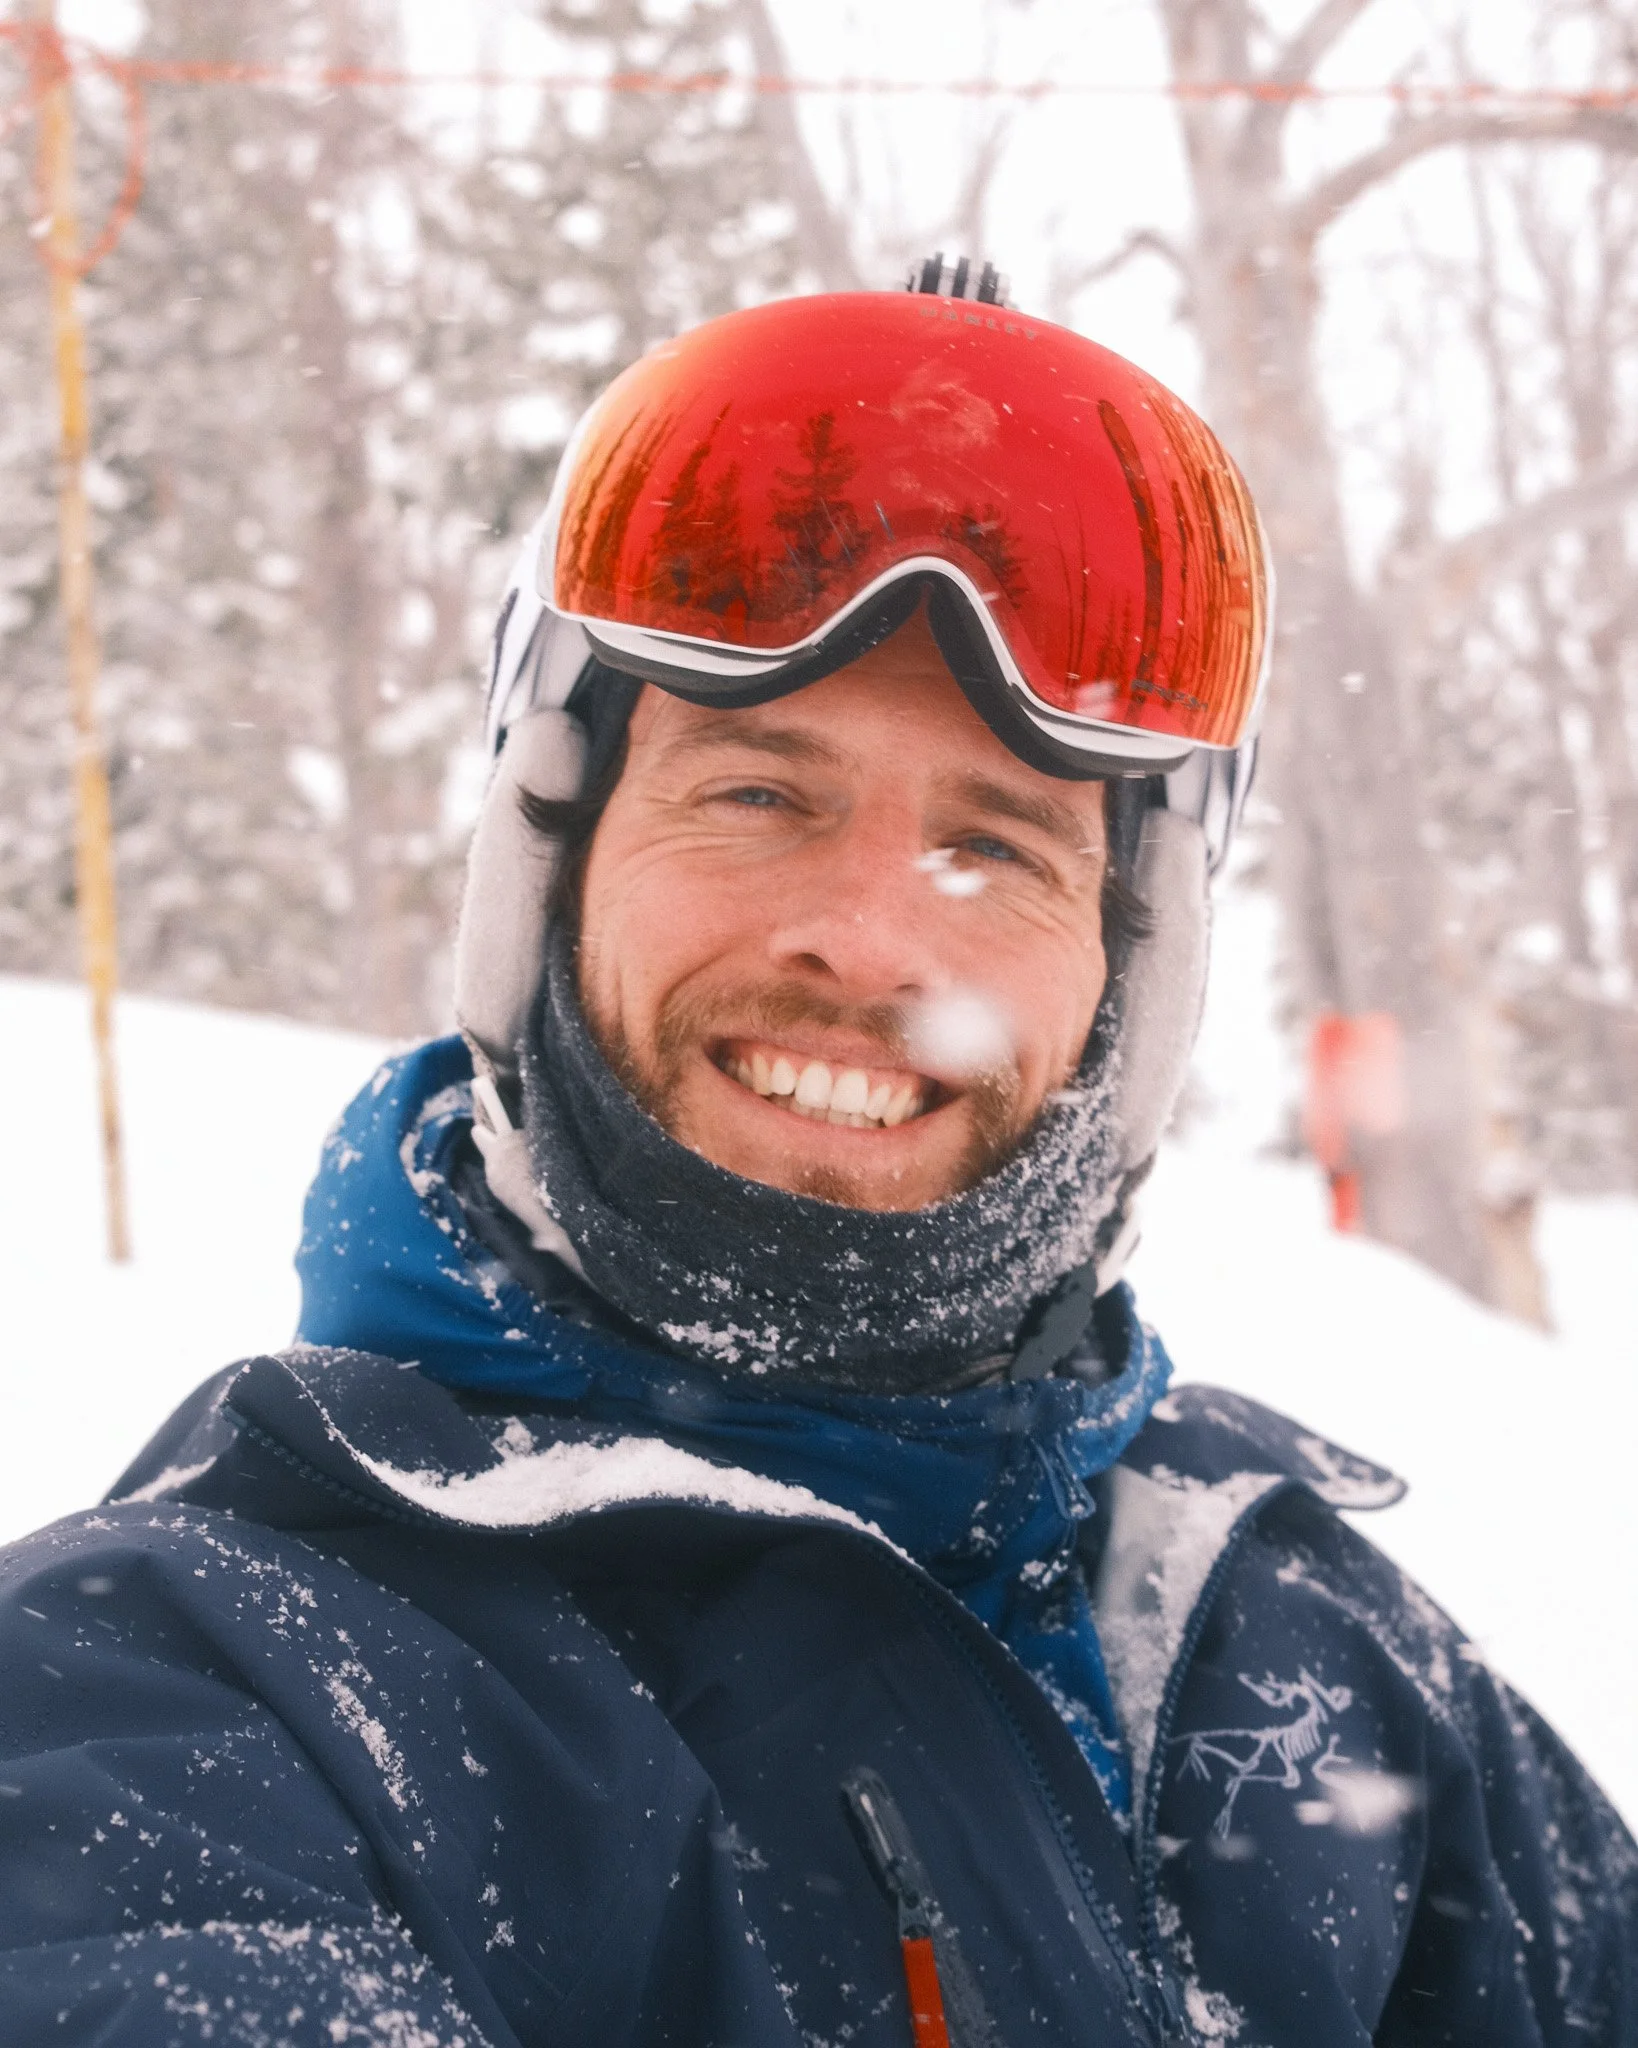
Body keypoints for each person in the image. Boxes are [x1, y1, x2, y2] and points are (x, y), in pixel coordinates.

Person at [0, 262, 1633, 2048]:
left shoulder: (1314, 1653)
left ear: (1126, 971)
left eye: (996, 845)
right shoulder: (187, 1694)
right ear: (550, 865)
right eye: (757, 793)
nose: (866, 946)